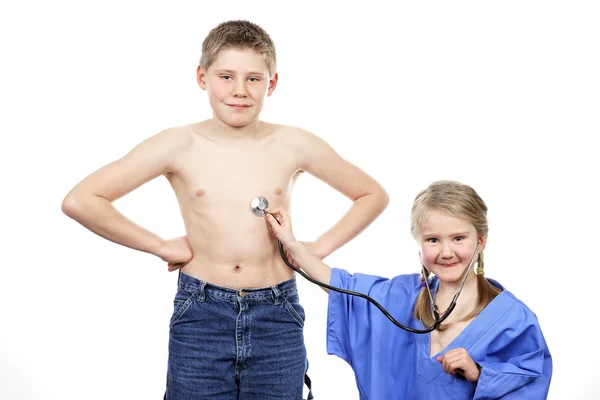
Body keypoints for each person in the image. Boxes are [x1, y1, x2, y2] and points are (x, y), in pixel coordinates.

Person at [61, 20, 389, 400]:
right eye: (226, 76)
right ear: (202, 77)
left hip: (276, 311)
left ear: (273, 82)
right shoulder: (178, 144)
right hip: (201, 312)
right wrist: (160, 245)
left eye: (253, 78)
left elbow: (371, 194)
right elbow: (82, 200)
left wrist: (312, 251)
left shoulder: (293, 143)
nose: (239, 91)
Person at [266, 180, 552, 399]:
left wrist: (480, 374)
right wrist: (292, 245)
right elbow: (344, 287)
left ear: (481, 241)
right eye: (432, 240)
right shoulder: (404, 296)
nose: (446, 251)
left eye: (458, 238)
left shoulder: (514, 320)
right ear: (418, 242)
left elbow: (528, 379)